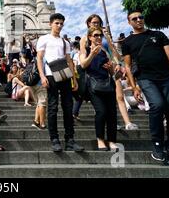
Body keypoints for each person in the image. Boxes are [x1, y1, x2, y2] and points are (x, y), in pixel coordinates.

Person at [122, 10, 169, 167]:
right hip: (146, 79)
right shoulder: (127, 42)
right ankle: (158, 144)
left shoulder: (158, 35)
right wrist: (134, 87)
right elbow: (127, 65)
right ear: (129, 22)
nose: (138, 20)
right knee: (157, 105)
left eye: (141, 17)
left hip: (167, 78)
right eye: (134, 18)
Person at [36, 13, 84, 152]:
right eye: (57, 23)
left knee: (68, 108)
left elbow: (69, 60)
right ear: (50, 24)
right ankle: (55, 139)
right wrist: (42, 76)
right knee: (52, 107)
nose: (59, 26)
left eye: (61, 23)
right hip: (50, 75)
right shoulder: (44, 39)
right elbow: (39, 58)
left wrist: (74, 79)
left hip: (65, 76)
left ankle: (70, 139)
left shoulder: (65, 42)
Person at [79, 27, 119, 151]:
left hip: (108, 84)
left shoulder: (105, 51)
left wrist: (110, 67)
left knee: (112, 113)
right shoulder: (85, 50)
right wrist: (92, 53)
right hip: (93, 85)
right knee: (101, 112)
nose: (98, 37)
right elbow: (83, 64)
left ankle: (112, 140)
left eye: (100, 35)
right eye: (95, 35)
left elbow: (112, 72)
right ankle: (100, 139)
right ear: (90, 37)